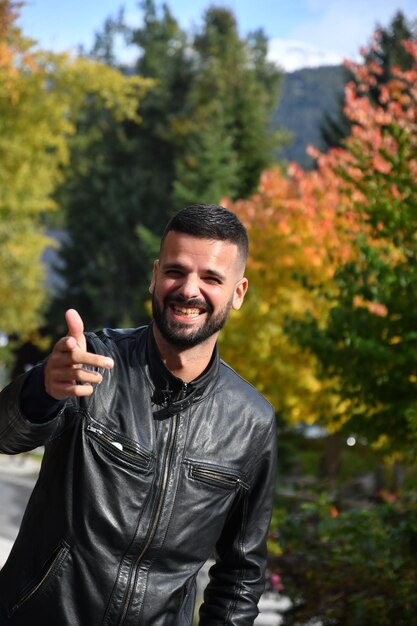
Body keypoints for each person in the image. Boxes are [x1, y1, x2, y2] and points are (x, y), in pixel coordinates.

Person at [0, 204, 277, 626]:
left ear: (238, 293)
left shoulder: (252, 422)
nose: (189, 289)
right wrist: (42, 389)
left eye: (211, 278)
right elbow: (6, 435)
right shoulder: (90, 363)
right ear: (154, 274)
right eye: (175, 271)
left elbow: (242, 574)